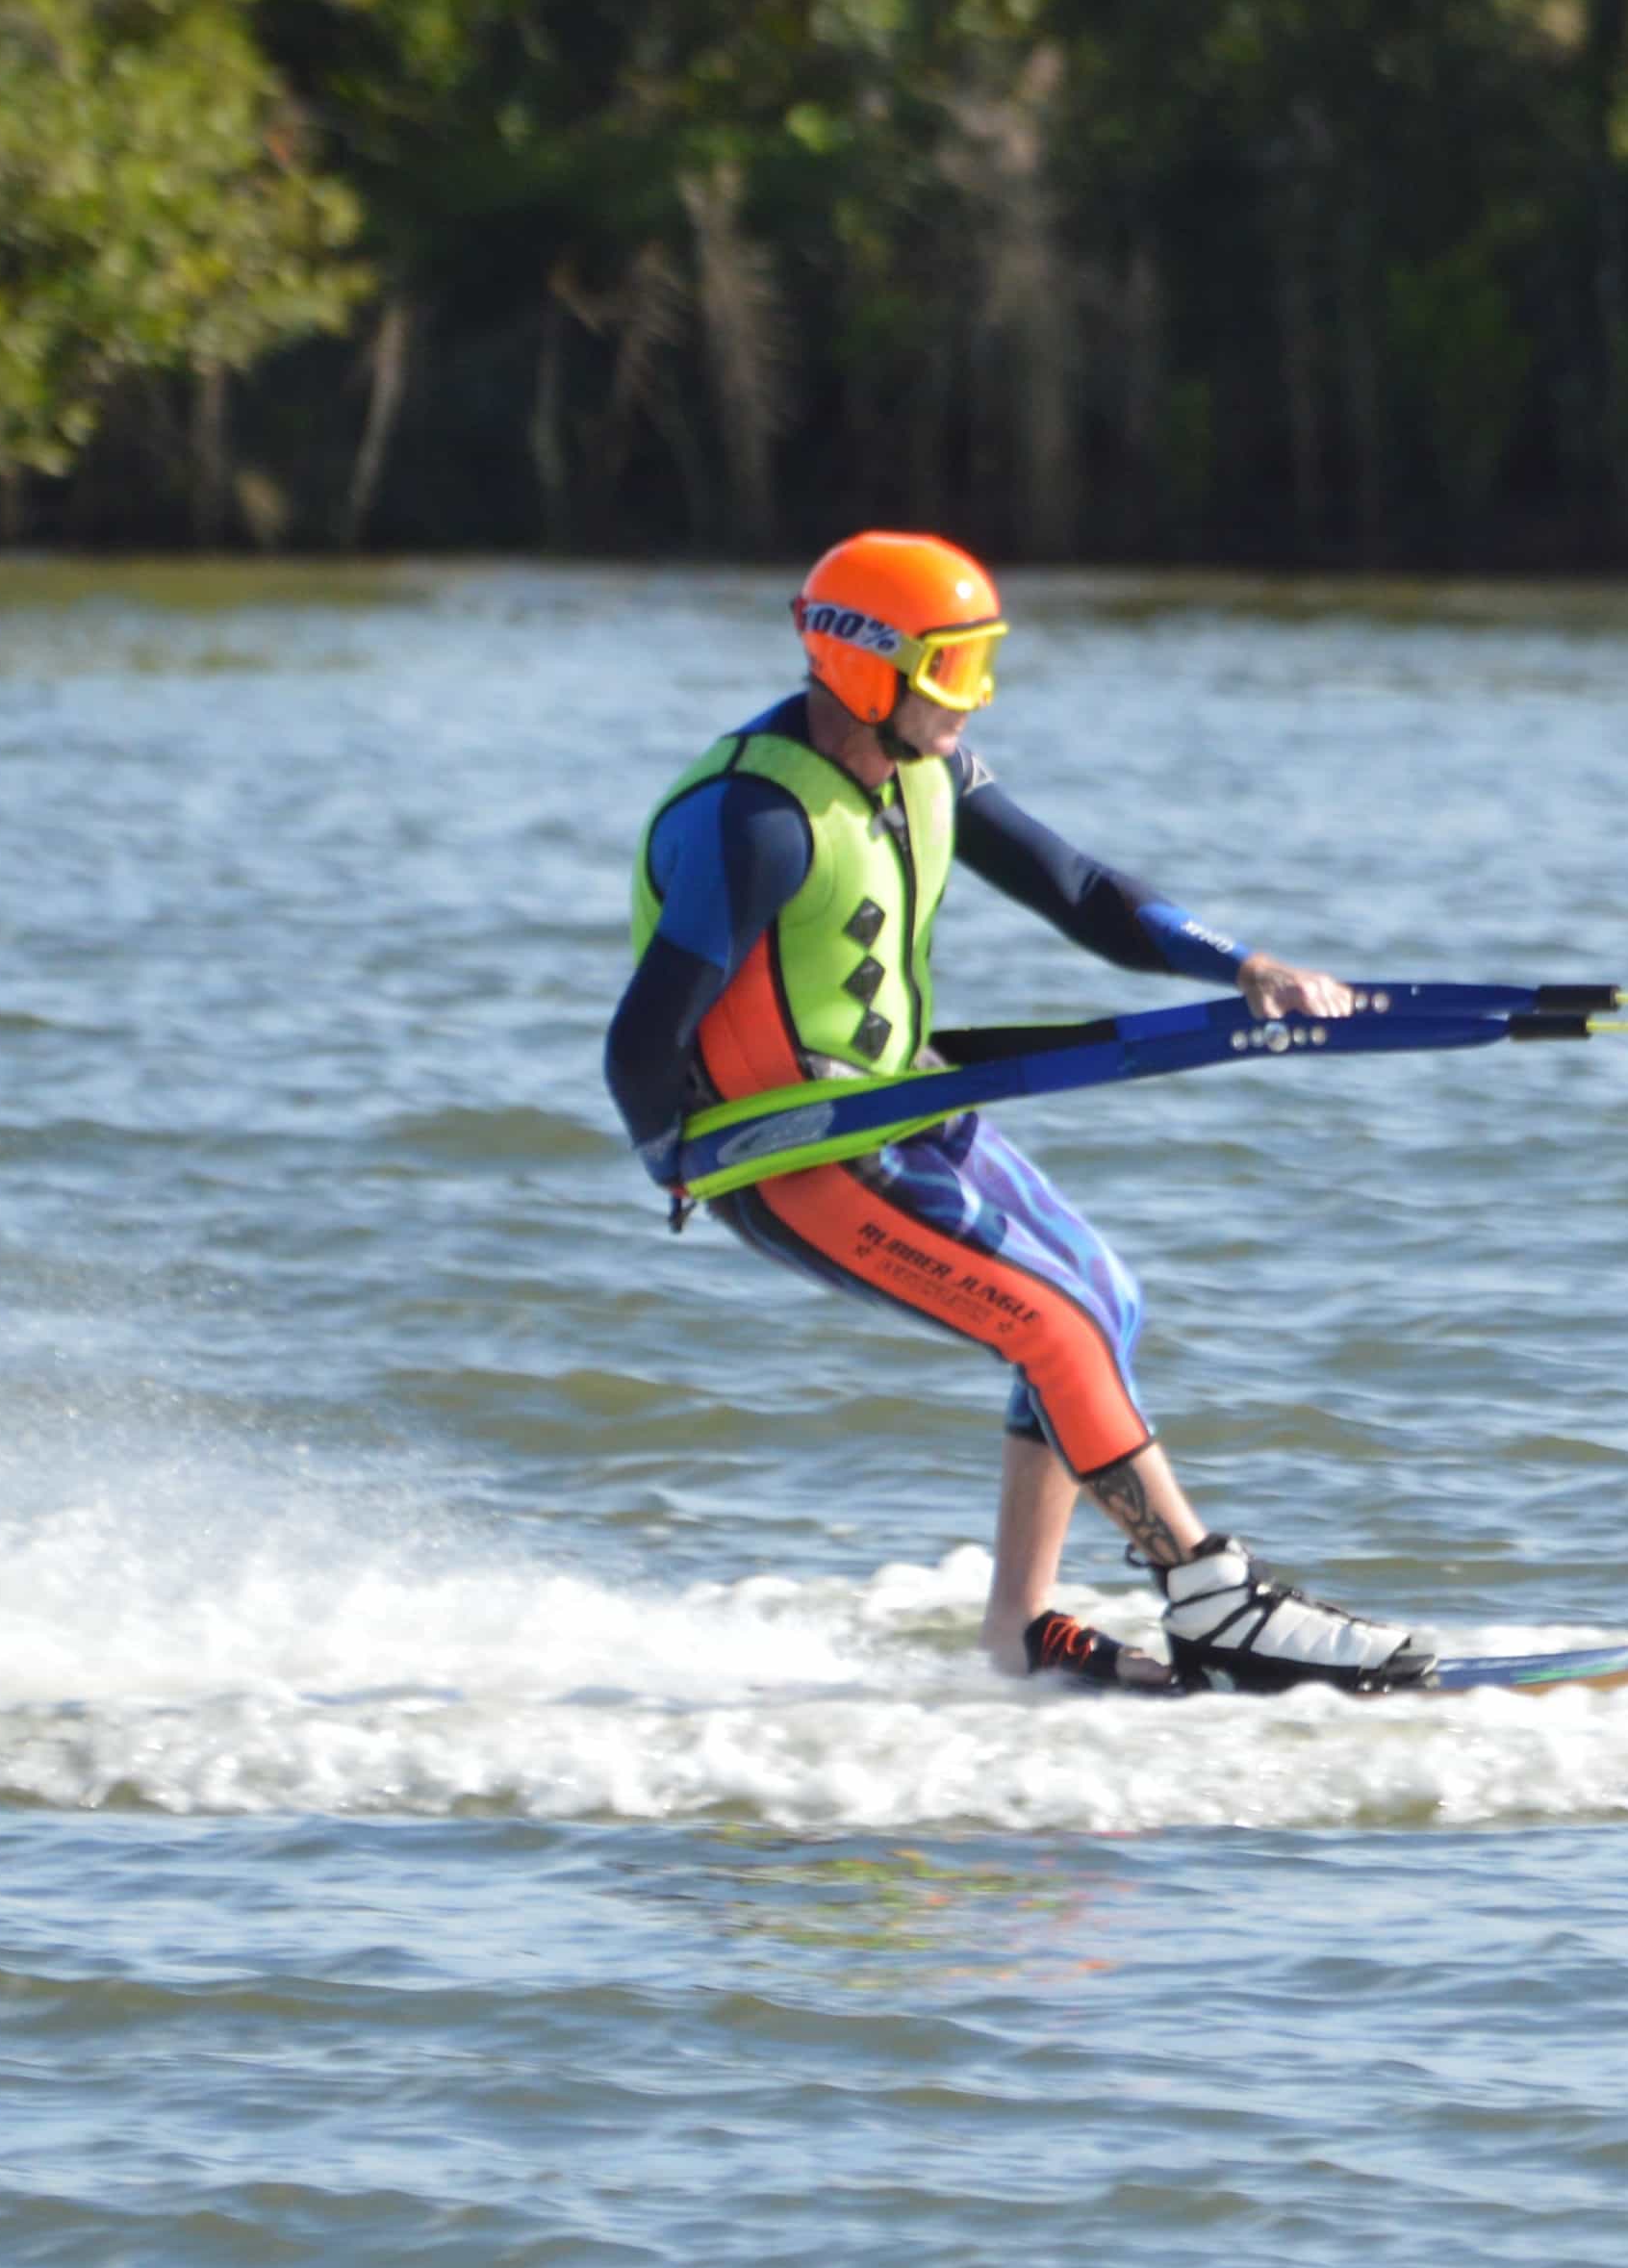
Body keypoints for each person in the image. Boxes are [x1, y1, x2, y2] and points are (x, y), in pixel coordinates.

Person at [603, 531, 1437, 1695]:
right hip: (799, 1157)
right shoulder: (755, 824)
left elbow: (1083, 892)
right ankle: (1208, 1596)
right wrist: (686, 1162)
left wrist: (1247, 966)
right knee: (1056, 1328)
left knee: (1107, 1301)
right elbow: (640, 1039)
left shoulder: (929, 768)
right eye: (953, 669)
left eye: (982, 663)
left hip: (903, 1113)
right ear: (864, 666)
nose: (974, 698)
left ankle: (1017, 1633)